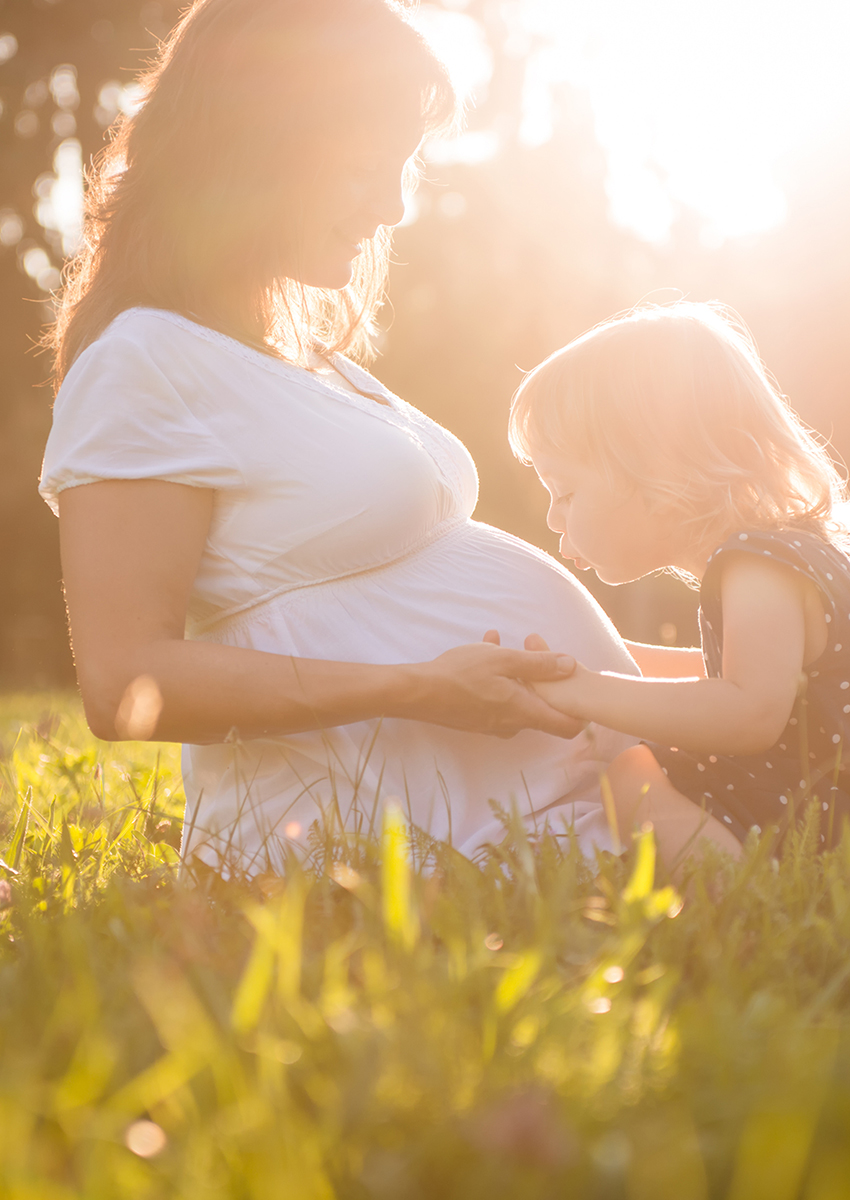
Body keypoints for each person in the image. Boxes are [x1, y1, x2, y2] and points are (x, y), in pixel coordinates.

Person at [38, 0, 638, 875]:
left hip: (541, 806)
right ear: (255, 149)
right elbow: (124, 682)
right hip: (375, 848)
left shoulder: (304, 357)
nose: (393, 207)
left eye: (402, 170)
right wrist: (419, 689)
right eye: (365, 169)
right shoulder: (145, 360)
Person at [509, 300, 850, 871]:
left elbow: (748, 710)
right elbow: (762, 682)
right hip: (822, 800)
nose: (552, 518)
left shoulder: (755, 564)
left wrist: (584, 693)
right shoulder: (788, 552)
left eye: (564, 492)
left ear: (656, 474)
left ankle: (750, 897)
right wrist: (608, 660)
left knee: (628, 771)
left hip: (816, 823)